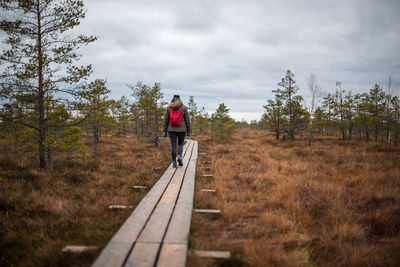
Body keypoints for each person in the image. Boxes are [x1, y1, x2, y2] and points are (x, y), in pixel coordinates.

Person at [163, 95, 191, 168]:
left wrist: (164, 131)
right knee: (180, 144)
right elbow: (187, 120)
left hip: (171, 129)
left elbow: (166, 121)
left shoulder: (169, 108)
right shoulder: (183, 107)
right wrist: (189, 131)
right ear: (179, 99)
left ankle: (174, 162)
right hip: (182, 129)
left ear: (172, 99)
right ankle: (179, 156)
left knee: (173, 145)